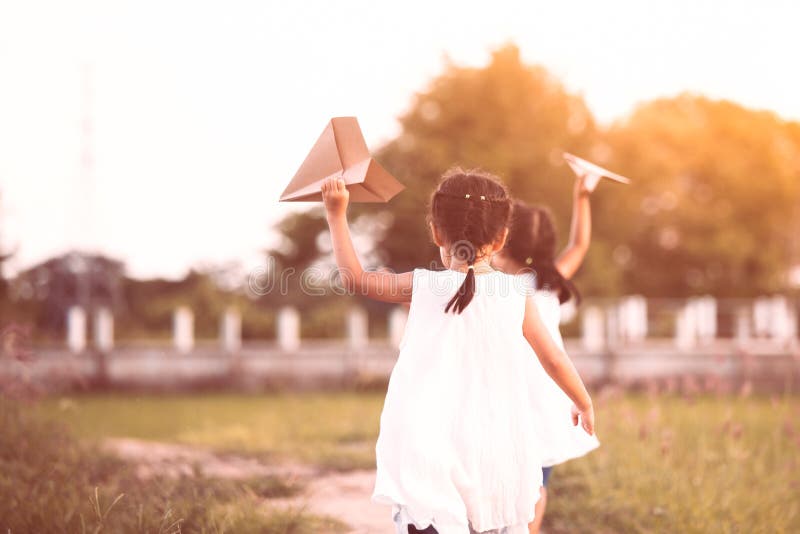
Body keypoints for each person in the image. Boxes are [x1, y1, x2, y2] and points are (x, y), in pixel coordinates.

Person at [320, 168, 595, 534]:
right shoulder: (517, 295)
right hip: (495, 452)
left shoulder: (422, 285)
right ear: (500, 239)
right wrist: (582, 400)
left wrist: (336, 215)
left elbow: (354, 277)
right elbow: (554, 358)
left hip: (429, 449)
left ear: (435, 231)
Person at [492, 176, 600, 534]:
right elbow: (580, 244)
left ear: (501, 240)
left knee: (499, 478)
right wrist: (581, 195)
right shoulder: (551, 282)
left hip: (507, 395)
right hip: (549, 392)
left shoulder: (494, 286)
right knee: (537, 480)